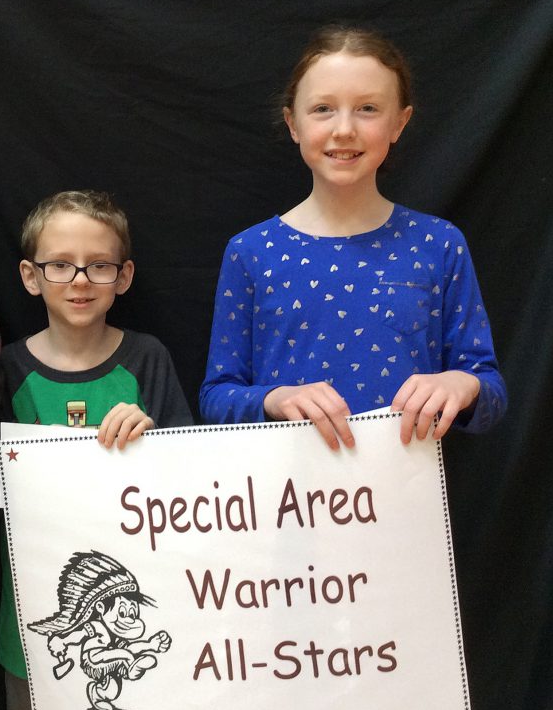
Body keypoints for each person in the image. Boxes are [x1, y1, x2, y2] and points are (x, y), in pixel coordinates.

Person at [199, 26, 506, 447]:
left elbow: (488, 389)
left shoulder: (439, 244)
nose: (344, 129)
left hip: (405, 495)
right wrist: (274, 398)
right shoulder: (251, 251)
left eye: (367, 109)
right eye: (323, 109)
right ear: (293, 123)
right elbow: (216, 397)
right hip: (286, 500)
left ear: (400, 122)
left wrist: (462, 385)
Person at [0, 191, 194, 710]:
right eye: (59, 264)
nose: (80, 280)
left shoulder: (147, 359)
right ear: (30, 275)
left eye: (98, 265)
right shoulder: (4, 370)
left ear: (123, 276)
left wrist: (153, 440)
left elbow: (195, 490)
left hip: (135, 616)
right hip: (35, 625)